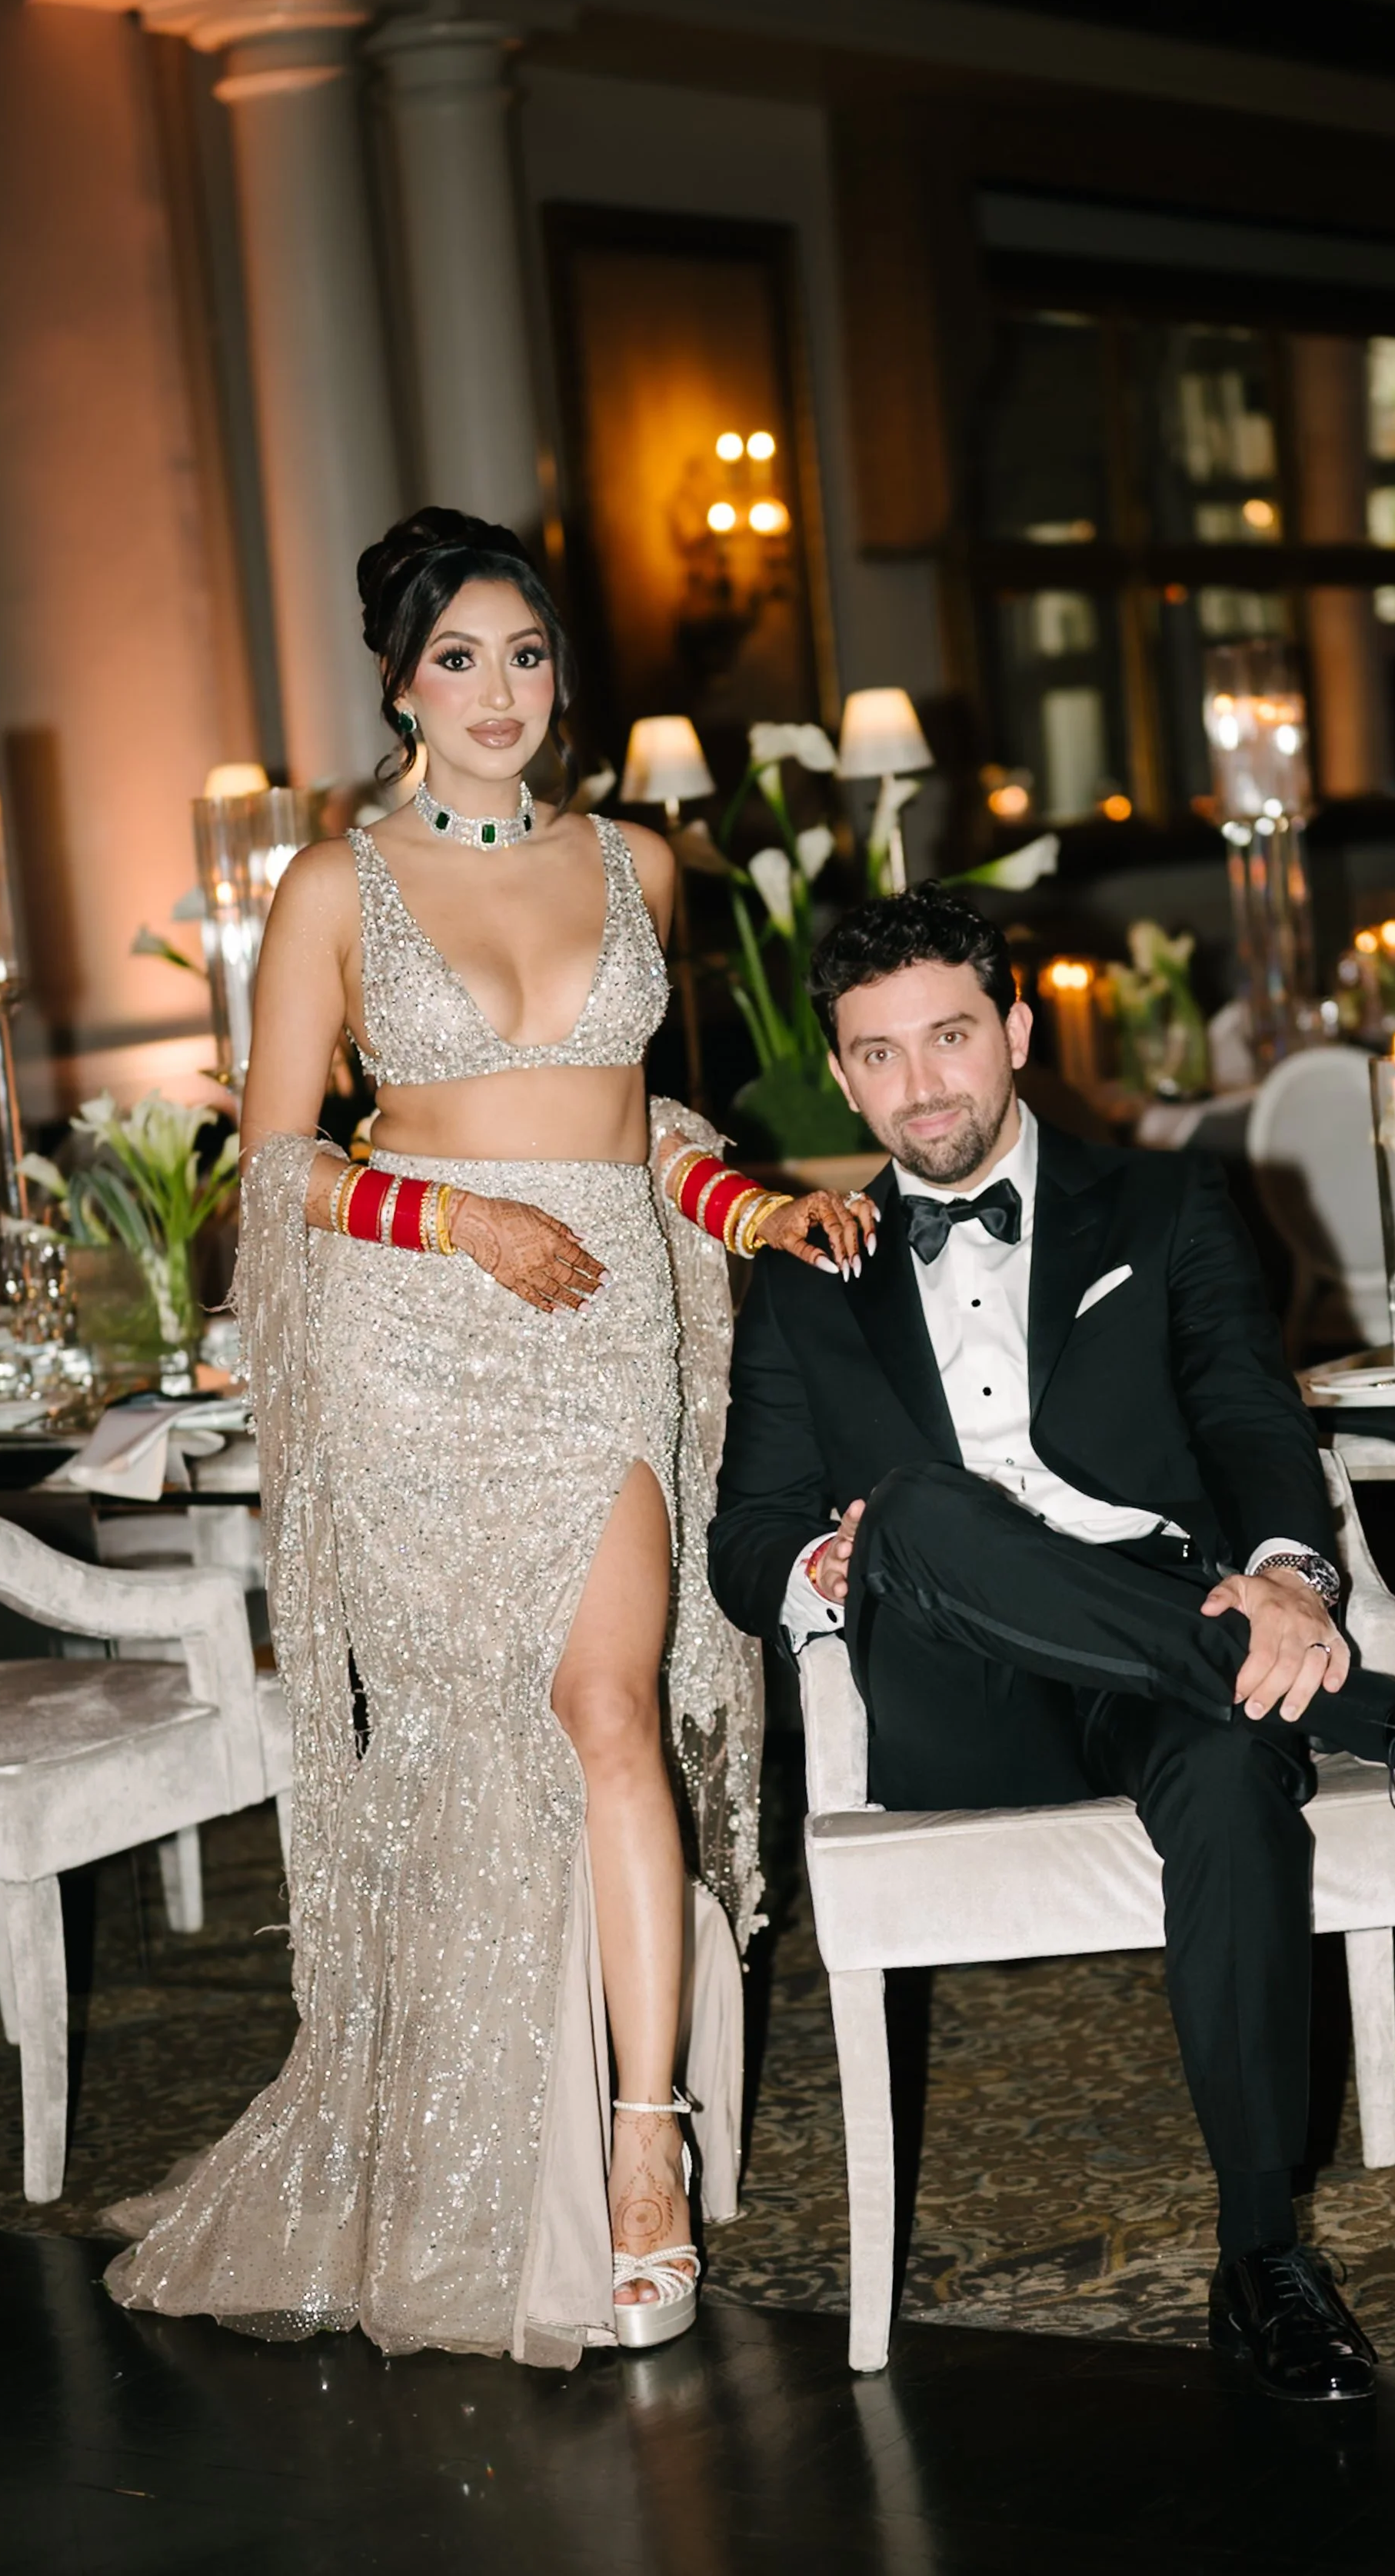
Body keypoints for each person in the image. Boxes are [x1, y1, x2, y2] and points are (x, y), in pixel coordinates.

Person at [106, 508, 866, 2364]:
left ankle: (640, 2151)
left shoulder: (640, 864)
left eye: (525, 653)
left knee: (611, 1713)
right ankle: (456, 2137)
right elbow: (278, 1177)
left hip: (604, 1337)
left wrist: (747, 1208)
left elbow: (638, 1121)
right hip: (417, 1355)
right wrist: (452, 1217)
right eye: (459, 657)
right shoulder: (327, 888)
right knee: (476, 1755)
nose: (499, 690)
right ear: (396, 682)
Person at [707, 885, 1395, 2406]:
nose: (923, 1086)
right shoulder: (798, 1276)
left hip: (1180, 1639)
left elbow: (1243, 1415)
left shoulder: (1159, 1208)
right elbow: (742, 1540)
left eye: (950, 1036)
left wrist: (1291, 1576)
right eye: (880, 1055)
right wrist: (820, 1567)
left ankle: (1258, 2258)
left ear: (1015, 1031)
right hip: (956, 1687)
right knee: (907, 1514)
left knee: (1231, 1763)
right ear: (840, 1077)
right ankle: (1378, 1716)